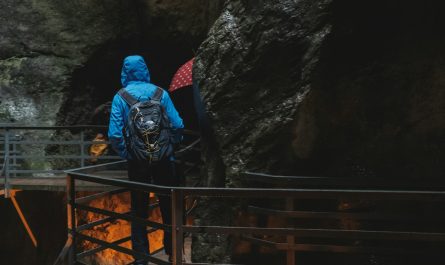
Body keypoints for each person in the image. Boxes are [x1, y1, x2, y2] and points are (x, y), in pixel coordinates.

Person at [108, 55, 184, 264]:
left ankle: (141, 259)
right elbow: (177, 126)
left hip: (138, 163)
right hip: (164, 161)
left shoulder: (120, 97)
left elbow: (114, 135)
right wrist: (169, 148)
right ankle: (174, 252)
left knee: (139, 209)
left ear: (124, 72)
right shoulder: (161, 94)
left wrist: (129, 154)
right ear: (145, 70)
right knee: (169, 206)